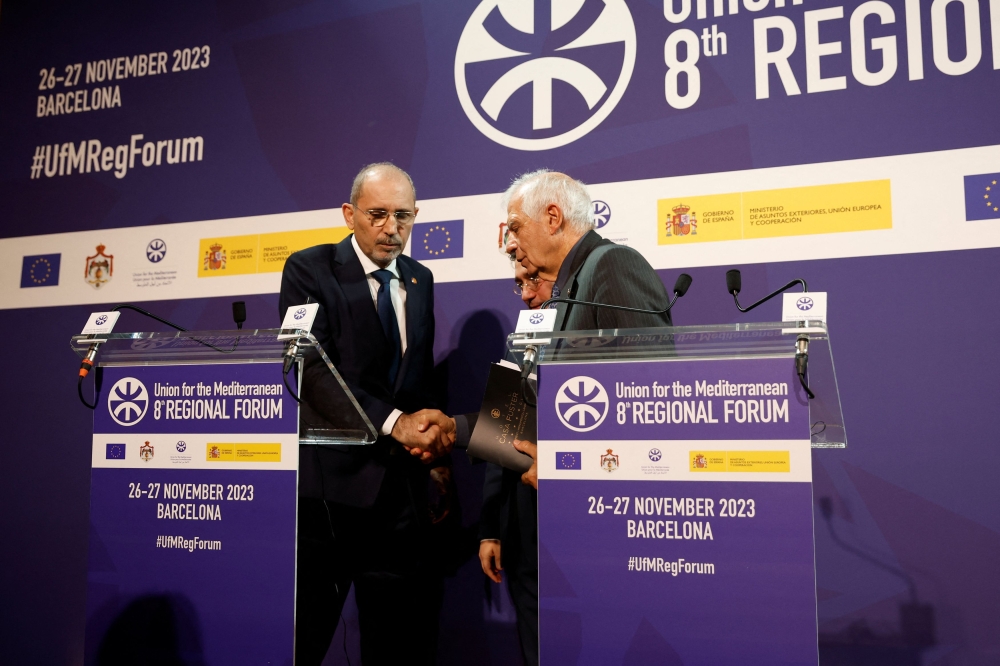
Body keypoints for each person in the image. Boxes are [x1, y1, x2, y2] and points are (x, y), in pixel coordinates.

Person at [279, 162, 457, 666]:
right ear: (349, 214)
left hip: (400, 498)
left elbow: (417, 380)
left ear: (415, 216)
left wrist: (436, 462)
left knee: (395, 646)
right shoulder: (310, 269)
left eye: (402, 216)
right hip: (329, 496)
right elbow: (313, 370)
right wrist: (393, 423)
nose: (390, 227)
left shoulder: (420, 279)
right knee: (304, 643)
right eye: (377, 214)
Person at [502, 168, 673, 488]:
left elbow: (653, 398)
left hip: (624, 492)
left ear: (552, 218)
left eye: (515, 227)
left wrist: (568, 464)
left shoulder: (611, 264)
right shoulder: (570, 288)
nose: (512, 242)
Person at [478, 260, 550, 666]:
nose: (526, 294)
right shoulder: (518, 342)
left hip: (578, 519)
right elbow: (497, 435)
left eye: (534, 279)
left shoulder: (590, 332)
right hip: (523, 525)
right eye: (518, 284)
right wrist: (490, 527)